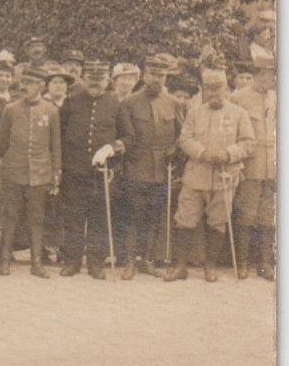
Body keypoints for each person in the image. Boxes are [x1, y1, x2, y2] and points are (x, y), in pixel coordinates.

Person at [171, 68, 254, 282]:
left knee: (217, 222)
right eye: (209, 91)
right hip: (195, 175)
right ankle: (181, 266)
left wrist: (228, 154)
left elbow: (248, 143)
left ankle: (210, 266)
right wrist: (202, 152)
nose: (214, 95)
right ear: (204, 91)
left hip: (224, 177)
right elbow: (185, 139)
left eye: (218, 90)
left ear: (226, 89)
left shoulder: (239, 114)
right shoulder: (195, 113)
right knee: (185, 219)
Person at [58, 61, 125, 278]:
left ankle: (96, 264)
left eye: (100, 80)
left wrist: (111, 148)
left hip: (103, 173)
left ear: (107, 81)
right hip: (74, 170)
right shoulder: (71, 102)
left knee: (99, 218)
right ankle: (72, 262)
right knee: (74, 217)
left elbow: (128, 138)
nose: (95, 84)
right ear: (85, 79)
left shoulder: (117, 104)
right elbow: (59, 134)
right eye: (92, 80)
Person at [117, 55, 182, 278]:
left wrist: (174, 149)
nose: (157, 79)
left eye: (161, 76)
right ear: (145, 75)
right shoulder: (130, 102)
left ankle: (146, 259)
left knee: (153, 216)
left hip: (162, 169)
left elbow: (181, 135)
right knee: (133, 215)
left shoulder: (174, 103)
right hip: (136, 167)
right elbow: (127, 136)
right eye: (153, 74)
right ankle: (129, 262)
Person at [0, 67, 61, 278]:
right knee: (10, 215)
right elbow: (3, 143)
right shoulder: (11, 109)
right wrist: (8, 162)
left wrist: (55, 172)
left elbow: (55, 146)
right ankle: (4, 261)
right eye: (24, 82)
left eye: (30, 84)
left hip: (40, 172)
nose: (25, 87)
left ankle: (36, 263)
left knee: (36, 218)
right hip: (14, 169)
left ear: (41, 86)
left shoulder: (51, 110)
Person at [229, 54, 276, 279]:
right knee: (246, 214)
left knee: (268, 216)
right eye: (269, 75)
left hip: (273, 167)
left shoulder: (277, 98)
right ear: (259, 75)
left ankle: (265, 263)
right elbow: (232, 132)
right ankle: (244, 262)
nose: (273, 79)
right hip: (250, 164)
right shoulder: (239, 98)